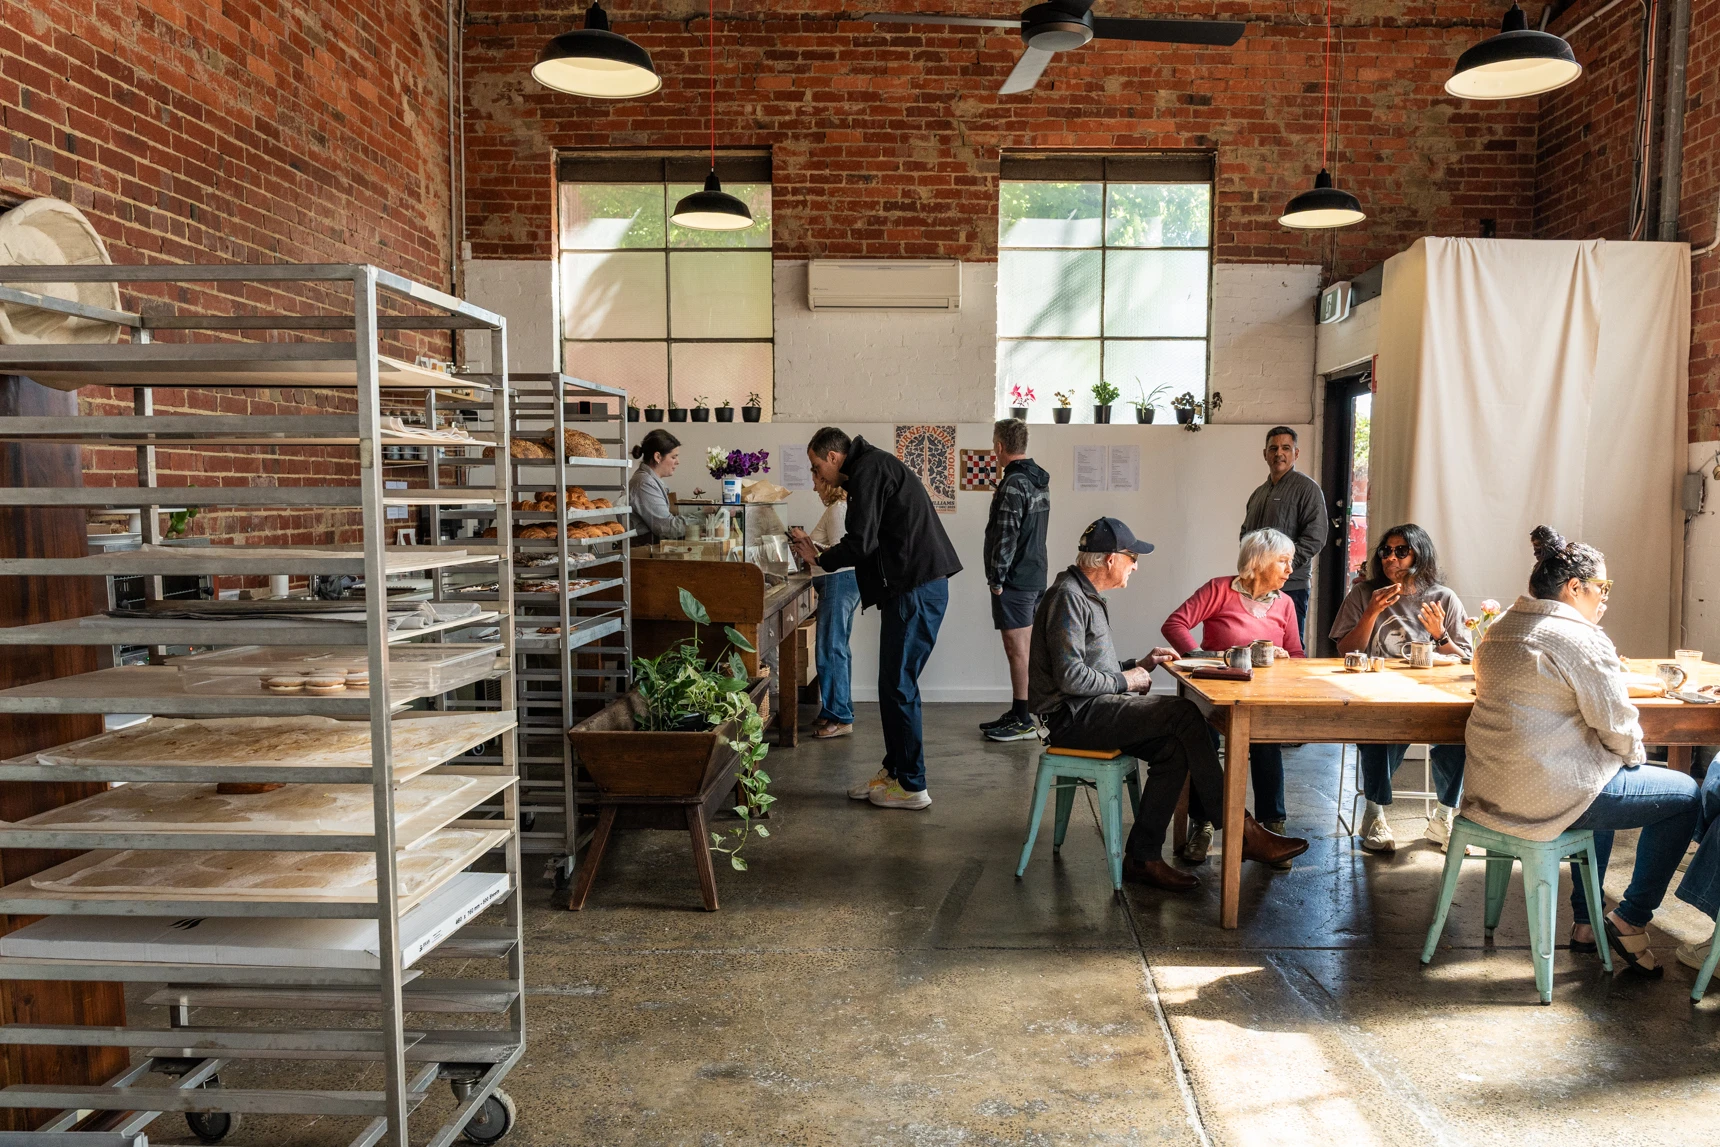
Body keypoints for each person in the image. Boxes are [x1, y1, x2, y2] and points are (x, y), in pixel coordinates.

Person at [1464, 525, 1700, 976]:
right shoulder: (1579, 637)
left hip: (1489, 793)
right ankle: (1631, 918)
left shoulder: (1501, 628)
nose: (1606, 597)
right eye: (1602, 587)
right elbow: (1618, 727)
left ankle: (1587, 924)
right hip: (1547, 798)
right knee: (1684, 795)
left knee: (1599, 778)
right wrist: (1631, 758)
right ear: (1575, 587)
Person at [1028, 517, 1308, 891]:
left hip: (1088, 709)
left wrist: (1138, 664)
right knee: (1183, 713)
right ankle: (1241, 831)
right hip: (1070, 718)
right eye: (1132, 558)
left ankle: (1142, 858)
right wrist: (1127, 680)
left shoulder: (1083, 595)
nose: (1135, 566)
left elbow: (1089, 668)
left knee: (1173, 749)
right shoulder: (1069, 597)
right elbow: (1071, 679)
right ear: (1111, 559)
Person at [789, 427, 963, 810]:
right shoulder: (871, 467)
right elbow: (872, 539)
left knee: (899, 685)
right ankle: (895, 772)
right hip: (911, 588)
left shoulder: (868, 469)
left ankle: (913, 785)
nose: (817, 474)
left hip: (916, 588)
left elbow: (861, 542)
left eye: (817, 466)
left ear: (833, 457)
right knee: (891, 685)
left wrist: (820, 558)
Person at [1160, 528, 1304, 866]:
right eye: (1283, 561)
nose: (1289, 569)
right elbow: (1175, 624)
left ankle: (1272, 826)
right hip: (1215, 693)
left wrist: (1287, 660)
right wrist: (1202, 658)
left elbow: (1298, 655)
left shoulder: (1285, 603)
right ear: (1259, 562)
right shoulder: (1219, 589)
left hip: (1261, 696)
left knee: (1268, 742)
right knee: (1204, 743)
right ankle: (1204, 823)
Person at [1329, 524, 1471, 854]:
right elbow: (1344, 650)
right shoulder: (1364, 594)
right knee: (1378, 730)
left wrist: (1440, 636)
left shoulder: (1442, 598)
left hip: (1432, 694)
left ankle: (1443, 817)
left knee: (1463, 731)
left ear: (1420, 555)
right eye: (1386, 551)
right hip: (1378, 693)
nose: (1391, 558)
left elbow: (1464, 659)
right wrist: (1372, 612)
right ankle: (1374, 814)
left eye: (1401, 551)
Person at [980, 417, 1050, 743]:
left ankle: (1023, 720)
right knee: (1025, 649)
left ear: (999, 446)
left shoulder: (1013, 483)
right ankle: (1019, 710)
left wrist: (997, 578)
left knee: (1017, 650)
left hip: (1015, 580)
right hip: (1035, 574)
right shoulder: (1038, 480)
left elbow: (1006, 536)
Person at [1240, 426, 1327, 641]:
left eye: (1286, 448)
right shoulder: (1258, 494)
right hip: (1255, 587)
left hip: (1290, 586)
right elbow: (1246, 534)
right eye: (1273, 448)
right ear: (1265, 454)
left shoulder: (1307, 489)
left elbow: (1315, 537)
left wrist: (1281, 569)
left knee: (1289, 647)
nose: (1279, 453)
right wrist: (1251, 570)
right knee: (1255, 644)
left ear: (1296, 453)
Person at [807, 473, 858, 740]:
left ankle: (841, 717)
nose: (814, 486)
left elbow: (840, 553)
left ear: (828, 483)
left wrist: (808, 546)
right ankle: (834, 709)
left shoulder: (838, 509)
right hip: (838, 582)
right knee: (835, 647)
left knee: (832, 648)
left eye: (817, 479)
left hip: (838, 580)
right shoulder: (836, 509)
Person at [627, 428, 686, 544]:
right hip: (643, 551)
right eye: (673, 457)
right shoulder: (644, 483)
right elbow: (667, 528)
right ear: (658, 457)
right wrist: (702, 517)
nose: (677, 462)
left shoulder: (651, 481)